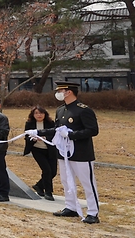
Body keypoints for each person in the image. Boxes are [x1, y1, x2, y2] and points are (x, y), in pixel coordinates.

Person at [33, 81, 101, 224]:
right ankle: (71, 207)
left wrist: (71, 134)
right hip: (64, 153)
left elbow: (92, 130)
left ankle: (93, 212)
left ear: (69, 92)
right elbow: (57, 130)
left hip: (81, 154)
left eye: (61, 90)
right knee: (66, 180)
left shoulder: (83, 110)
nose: (58, 93)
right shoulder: (61, 110)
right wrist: (39, 132)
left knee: (87, 183)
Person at [23, 105, 56, 201]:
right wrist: (33, 139)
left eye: (41, 113)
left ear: (45, 114)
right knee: (47, 170)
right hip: (37, 150)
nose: (39, 115)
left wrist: (45, 138)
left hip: (50, 150)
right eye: (36, 113)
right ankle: (48, 192)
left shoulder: (51, 123)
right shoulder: (29, 124)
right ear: (33, 115)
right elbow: (26, 136)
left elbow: (55, 135)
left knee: (53, 172)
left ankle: (39, 186)